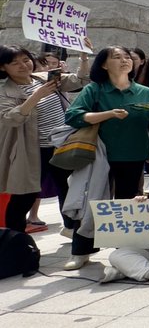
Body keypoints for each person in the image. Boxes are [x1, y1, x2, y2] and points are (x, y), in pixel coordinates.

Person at [64, 46, 149, 270]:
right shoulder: (94, 90)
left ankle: (124, 253)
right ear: (104, 64)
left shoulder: (144, 92)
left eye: (127, 57)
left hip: (133, 155)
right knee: (92, 202)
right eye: (117, 57)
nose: (125, 61)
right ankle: (81, 251)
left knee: (126, 206)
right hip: (99, 156)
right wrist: (108, 114)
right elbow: (73, 116)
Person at [1, 45, 87, 234]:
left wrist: (83, 57)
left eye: (26, 60)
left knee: (68, 187)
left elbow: (80, 80)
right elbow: (11, 118)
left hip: (61, 145)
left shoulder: (44, 78)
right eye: (14, 63)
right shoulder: (5, 91)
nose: (23, 65)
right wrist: (36, 96)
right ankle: (13, 238)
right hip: (32, 150)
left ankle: (71, 227)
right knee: (25, 195)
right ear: (3, 68)